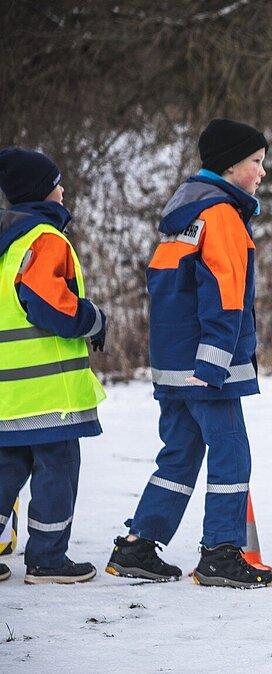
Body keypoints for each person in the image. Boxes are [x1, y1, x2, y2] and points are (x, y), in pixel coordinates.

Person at [106, 119, 272, 588]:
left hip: (173, 362)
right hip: (206, 367)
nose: (262, 172)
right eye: (256, 162)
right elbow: (224, 294)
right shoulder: (221, 215)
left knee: (180, 453)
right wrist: (216, 361)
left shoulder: (185, 212)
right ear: (230, 165)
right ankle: (221, 552)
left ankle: (139, 545)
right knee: (231, 452)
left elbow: (164, 292)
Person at [0, 148, 107, 584]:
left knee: (7, 471)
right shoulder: (44, 238)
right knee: (58, 467)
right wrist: (93, 318)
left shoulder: (8, 241)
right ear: (41, 191)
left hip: (9, 393)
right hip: (46, 393)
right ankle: (46, 559)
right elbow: (50, 305)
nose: (63, 189)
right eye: (56, 182)